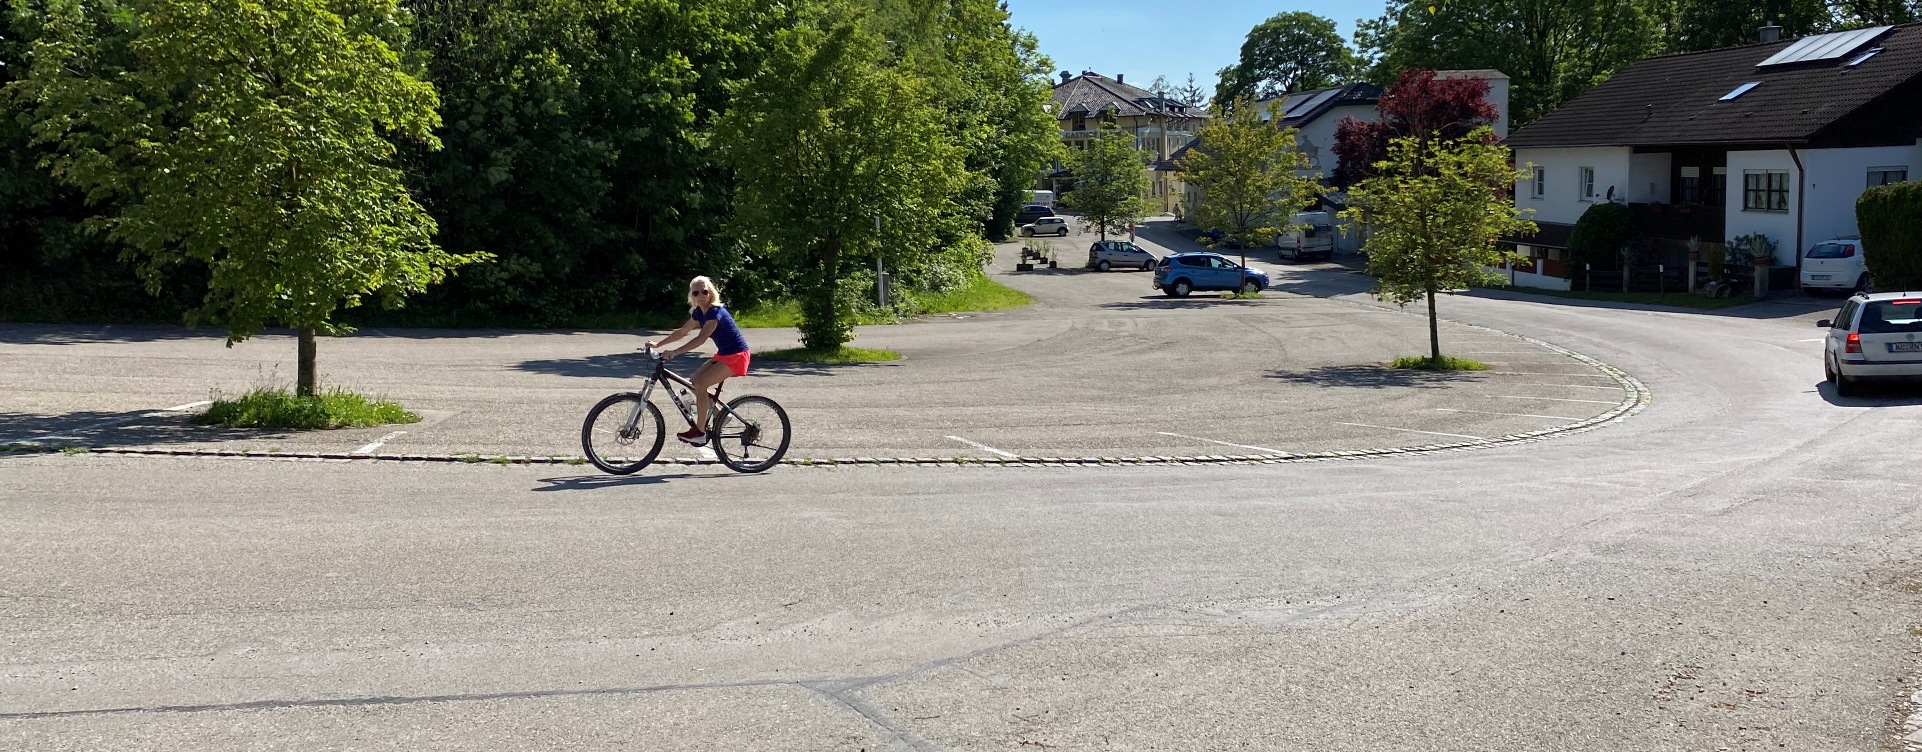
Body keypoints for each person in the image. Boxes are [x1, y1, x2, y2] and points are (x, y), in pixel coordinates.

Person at [648, 276, 750, 446]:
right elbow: (683, 331)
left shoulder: (715, 312)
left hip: (737, 356)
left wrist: (675, 352)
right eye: (696, 293)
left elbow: (701, 338)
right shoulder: (698, 312)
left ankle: (700, 432)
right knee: (693, 383)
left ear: (710, 292)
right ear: (692, 296)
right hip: (724, 354)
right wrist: (658, 344)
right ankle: (721, 415)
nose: (701, 295)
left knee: (701, 385)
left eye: (704, 291)